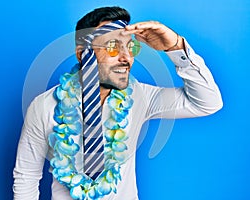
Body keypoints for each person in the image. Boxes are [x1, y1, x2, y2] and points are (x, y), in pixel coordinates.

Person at [13, 6, 223, 200]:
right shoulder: (44, 106)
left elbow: (207, 102)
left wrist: (175, 47)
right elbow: (26, 176)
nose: (126, 58)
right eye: (113, 47)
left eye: (130, 48)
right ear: (82, 53)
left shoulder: (140, 96)